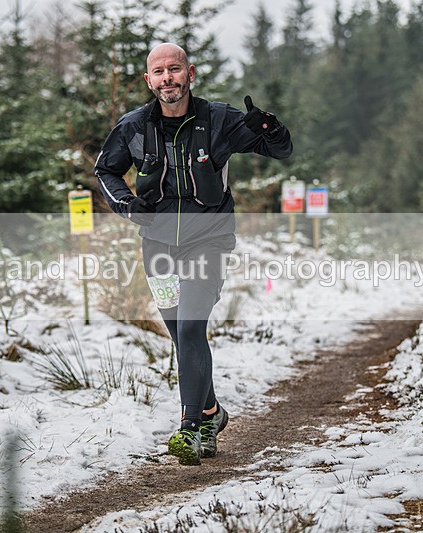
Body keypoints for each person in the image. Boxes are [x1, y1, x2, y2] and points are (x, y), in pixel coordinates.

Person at [94, 43, 292, 465]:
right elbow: (105, 170)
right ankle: (211, 412)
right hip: (159, 244)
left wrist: (270, 128)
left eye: (175, 69)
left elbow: (279, 150)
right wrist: (128, 206)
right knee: (182, 335)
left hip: (209, 240)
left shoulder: (218, 120)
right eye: (159, 71)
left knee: (190, 329)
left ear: (191, 73)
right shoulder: (133, 127)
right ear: (148, 80)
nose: (168, 78)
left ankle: (190, 428)